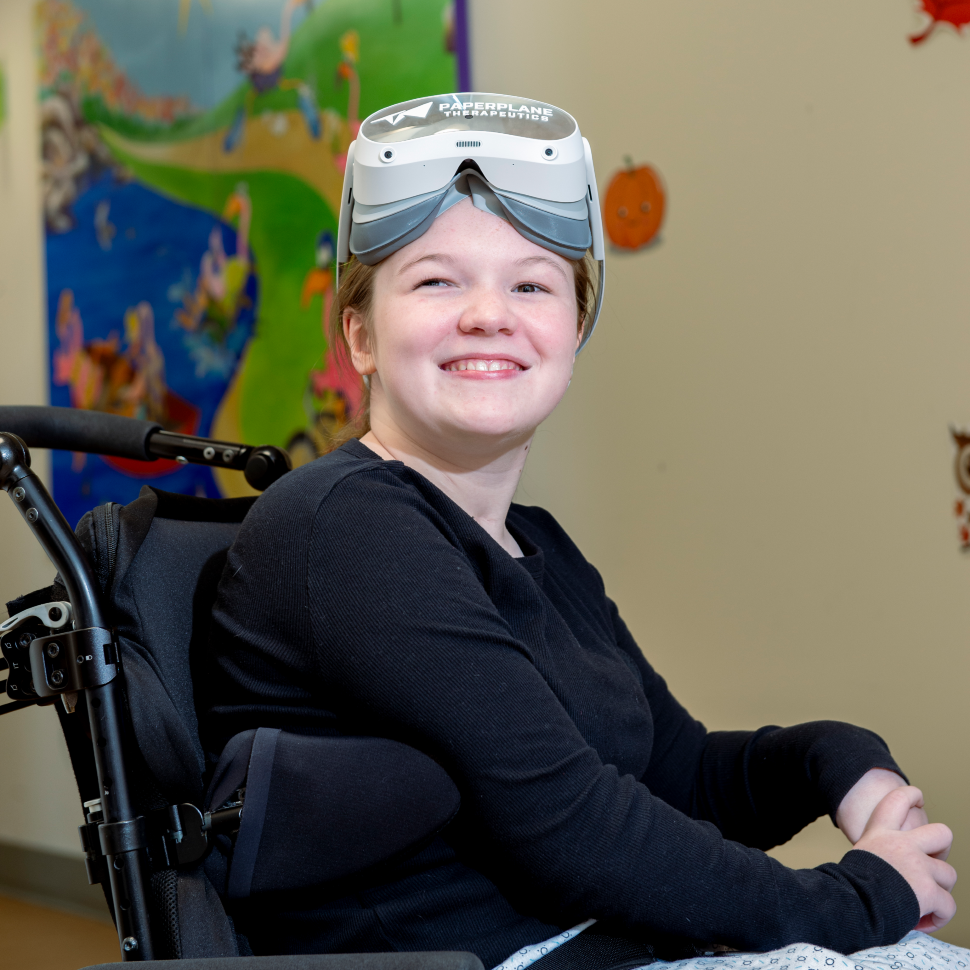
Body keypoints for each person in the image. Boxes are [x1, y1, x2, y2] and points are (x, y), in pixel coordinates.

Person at [206, 95, 959, 970]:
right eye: (436, 280)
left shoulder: (538, 544)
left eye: (532, 284)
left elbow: (682, 777)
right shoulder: (347, 525)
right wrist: (863, 898)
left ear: (573, 329)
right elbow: (575, 824)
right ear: (360, 335)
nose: (489, 315)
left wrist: (840, 761)